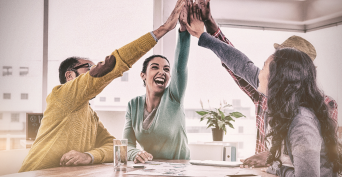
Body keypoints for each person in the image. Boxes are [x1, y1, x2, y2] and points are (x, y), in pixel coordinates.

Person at [19, 0, 185, 172]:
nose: (94, 71)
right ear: (70, 76)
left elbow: (113, 146)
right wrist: (162, 29)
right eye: (89, 68)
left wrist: (89, 156)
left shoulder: (90, 115)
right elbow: (112, 65)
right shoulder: (61, 95)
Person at [184, 0, 338, 168]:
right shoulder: (267, 91)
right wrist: (209, 28)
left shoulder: (320, 109)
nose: (266, 69)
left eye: (276, 62)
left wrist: (274, 156)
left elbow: (316, 159)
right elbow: (239, 64)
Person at [123, 2, 191, 164]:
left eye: (166, 69)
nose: (162, 72)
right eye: (155, 67)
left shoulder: (175, 95)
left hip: (179, 169)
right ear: (143, 75)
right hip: (151, 169)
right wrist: (135, 154)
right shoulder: (133, 105)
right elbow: (127, 144)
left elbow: (180, 67)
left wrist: (183, 30)